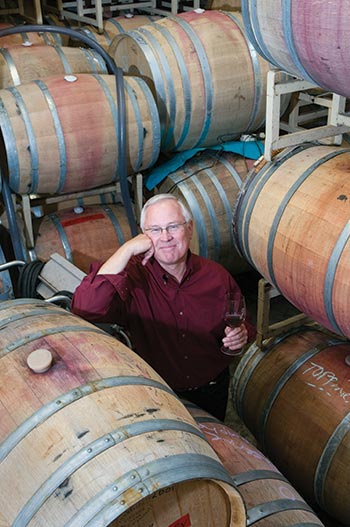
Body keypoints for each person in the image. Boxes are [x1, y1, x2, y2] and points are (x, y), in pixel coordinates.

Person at [71, 194, 256, 420]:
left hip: (212, 388)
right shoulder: (132, 278)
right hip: (158, 394)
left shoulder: (216, 276)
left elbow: (239, 321)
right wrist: (126, 250)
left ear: (189, 228)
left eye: (173, 226)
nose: (165, 237)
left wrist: (240, 335)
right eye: (155, 230)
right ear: (143, 234)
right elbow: (85, 308)